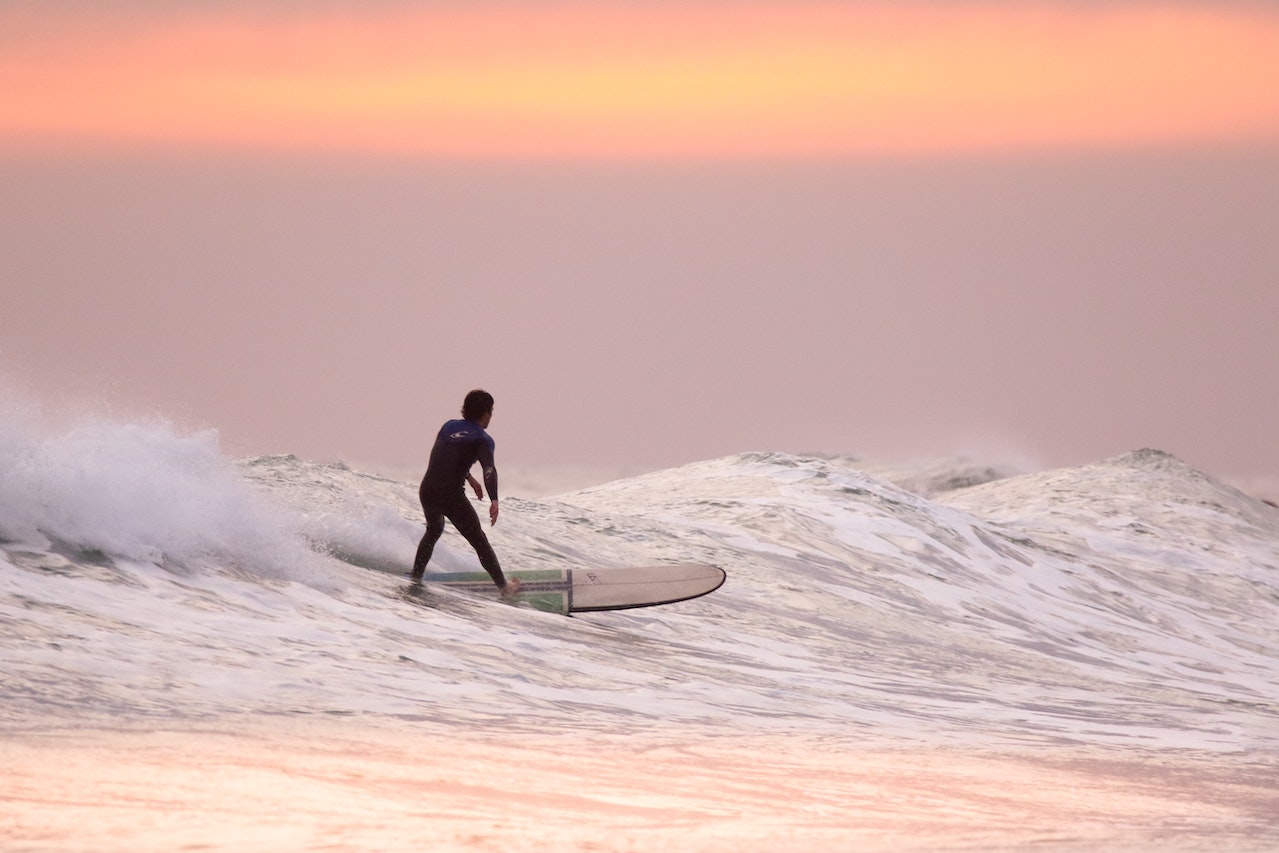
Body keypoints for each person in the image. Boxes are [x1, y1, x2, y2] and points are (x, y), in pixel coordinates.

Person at [411, 389, 521, 597]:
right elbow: (489, 469)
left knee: (434, 530)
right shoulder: (482, 438)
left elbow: (446, 459)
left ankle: (416, 578)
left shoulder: (448, 427)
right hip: (450, 496)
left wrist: (468, 478)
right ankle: (504, 588)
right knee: (479, 541)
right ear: (486, 412)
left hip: (427, 489)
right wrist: (494, 498)